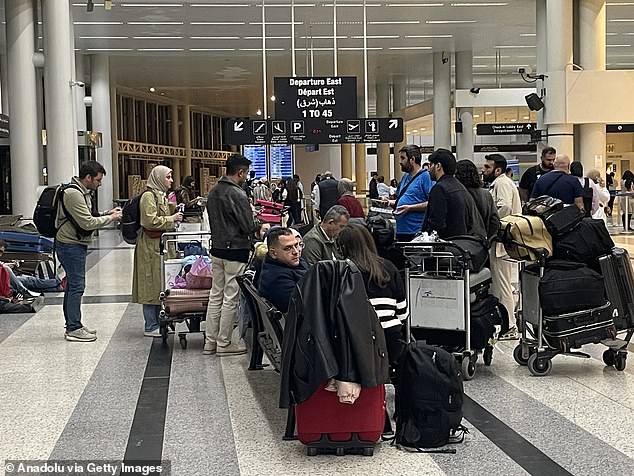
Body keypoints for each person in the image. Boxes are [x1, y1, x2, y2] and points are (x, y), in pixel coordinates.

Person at [55, 160, 122, 342]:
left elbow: (87, 215)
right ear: (88, 177)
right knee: (76, 286)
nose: (100, 184)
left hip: (74, 243)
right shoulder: (73, 194)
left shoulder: (82, 192)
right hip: (70, 245)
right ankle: (74, 328)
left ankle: (73, 324)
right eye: (98, 180)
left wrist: (106, 212)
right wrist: (110, 217)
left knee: (72, 286)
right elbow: (87, 222)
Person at [204, 153, 259, 356]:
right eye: (245, 173)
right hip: (235, 250)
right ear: (240, 172)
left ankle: (210, 342)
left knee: (215, 295)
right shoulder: (237, 194)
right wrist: (259, 224)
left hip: (217, 248)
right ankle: (224, 344)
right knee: (231, 297)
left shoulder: (214, 191)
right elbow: (247, 226)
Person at [337, 223, 407, 367]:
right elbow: (402, 313)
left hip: (355, 343)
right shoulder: (389, 267)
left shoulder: (341, 271)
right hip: (390, 339)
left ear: (342, 247)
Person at [132, 165, 183, 337]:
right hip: (149, 246)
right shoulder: (148, 196)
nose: (171, 181)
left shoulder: (158, 195)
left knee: (158, 282)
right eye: (168, 177)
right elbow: (149, 221)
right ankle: (150, 324)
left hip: (157, 246)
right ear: (159, 178)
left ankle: (158, 321)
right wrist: (171, 218)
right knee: (150, 283)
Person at [482, 154, 522, 340]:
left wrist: (492, 222)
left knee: (504, 284)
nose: (484, 170)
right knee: (499, 284)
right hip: (501, 240)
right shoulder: (499, 183)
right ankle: (504, 322)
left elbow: (504, 206)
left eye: (487, 167)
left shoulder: (502, 183)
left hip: (502, 240)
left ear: (497, 169)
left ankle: (510, 326)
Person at [423, 148, 486, 239]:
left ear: (438, 166)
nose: (429, 169)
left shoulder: (439, 189)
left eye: (431, 164)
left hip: (445, 245)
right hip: (460, 243)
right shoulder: (459, 186)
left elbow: (436, 224)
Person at [383, 144, 434, 242]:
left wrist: (410, 208)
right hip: (401, 230)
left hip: (415, 231)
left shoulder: (425, 177)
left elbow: (432, 203)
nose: (400, 162)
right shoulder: (405, 177)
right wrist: (389, 202)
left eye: (403, 158)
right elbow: (402, 199)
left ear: (412, 159)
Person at [258, 227, 308, 313]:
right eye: (288, 248)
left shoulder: (290, 263)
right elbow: (302, 307)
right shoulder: (276, 278)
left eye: (296, 245)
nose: (296, 251)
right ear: (273, 253)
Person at [455, 159, 500, 243]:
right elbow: (495, 221)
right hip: (480, 241)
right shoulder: (486, 194)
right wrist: (488, 239)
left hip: (461, 241)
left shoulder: (457, 194)